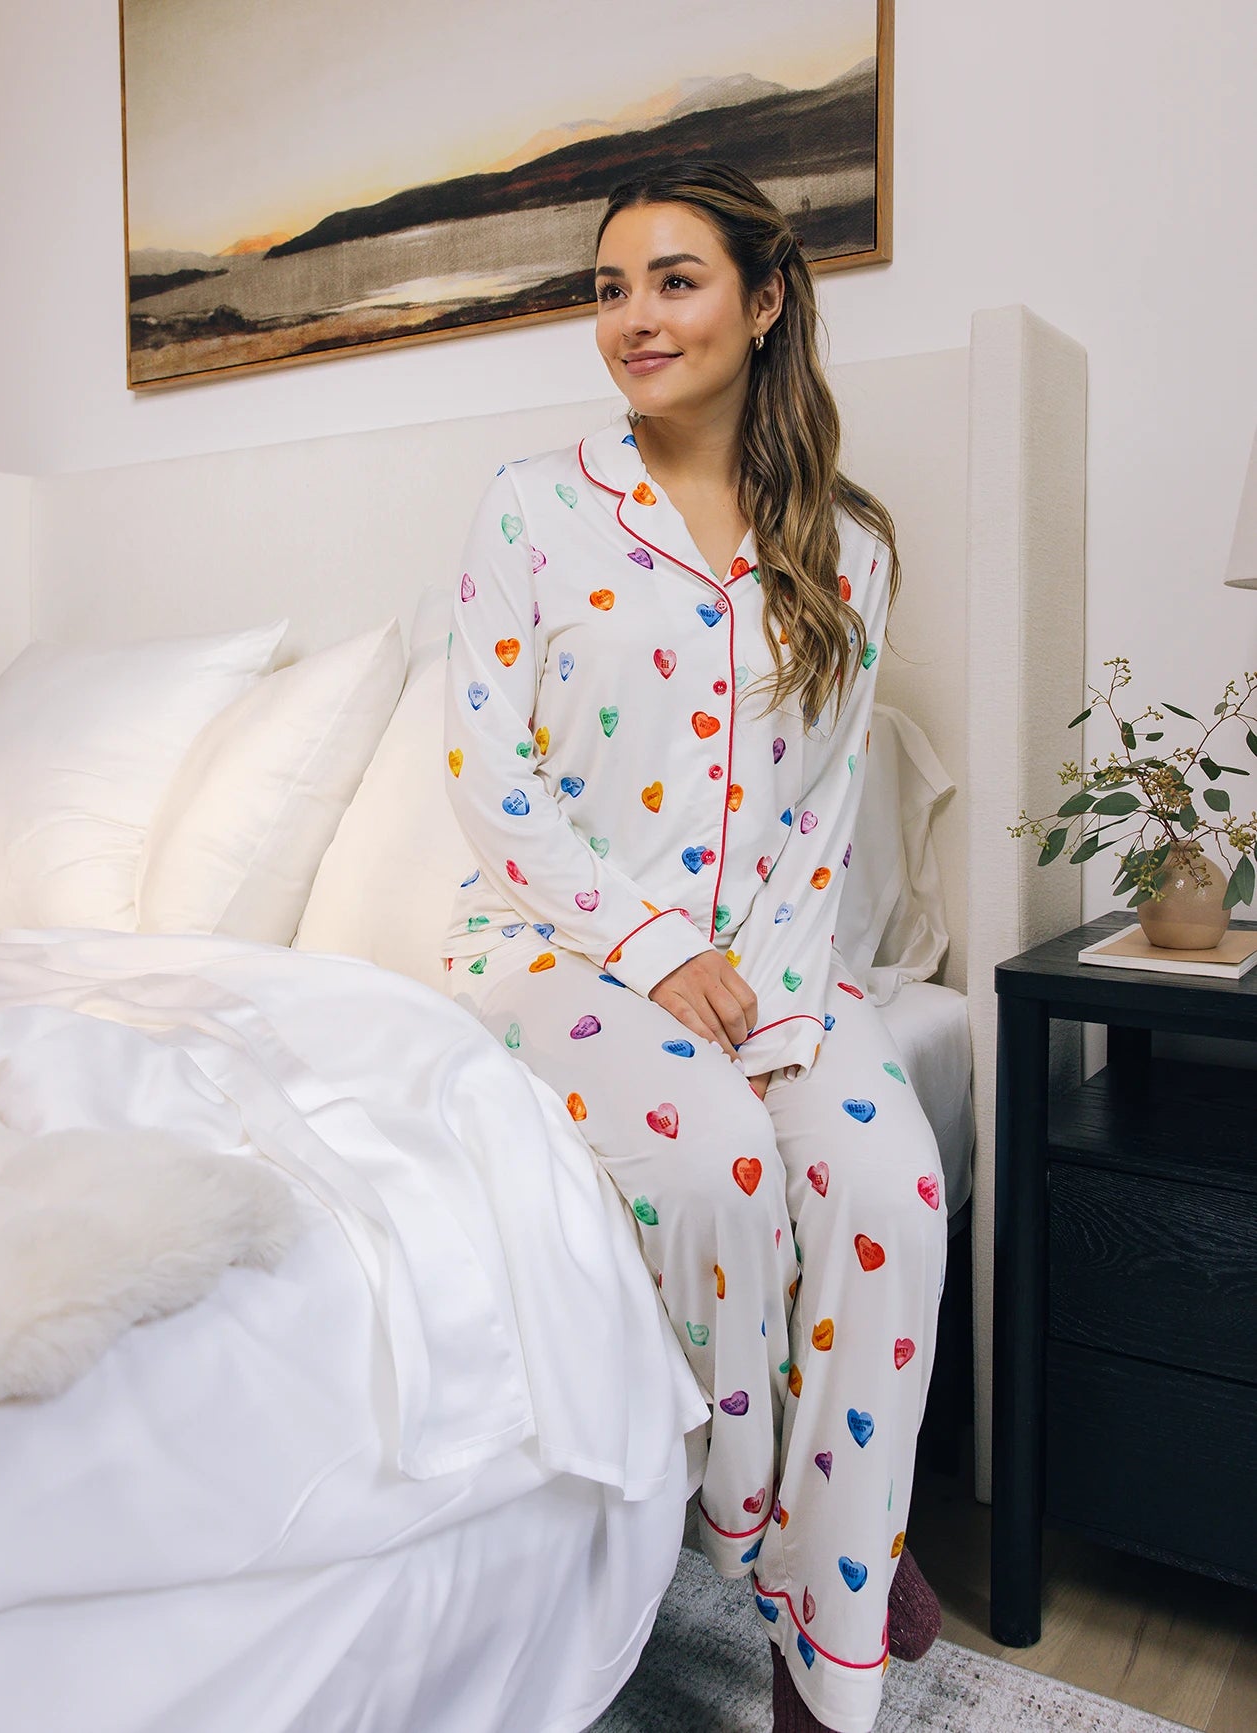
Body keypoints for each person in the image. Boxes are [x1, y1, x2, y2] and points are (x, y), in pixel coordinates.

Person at [439, 160, 947, 1733]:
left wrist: (777, 1007)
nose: (633, 318)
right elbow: (488, 775)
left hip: (773, 960)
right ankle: (806, 1552)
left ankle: (829, 1642)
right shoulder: (535, 505)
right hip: (550, 949)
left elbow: (819, 823)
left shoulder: (849, 550)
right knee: (724, 1159)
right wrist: (659, 951)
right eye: (610, 288)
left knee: (891, 1186)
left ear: (766, 297)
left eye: (673, 280)